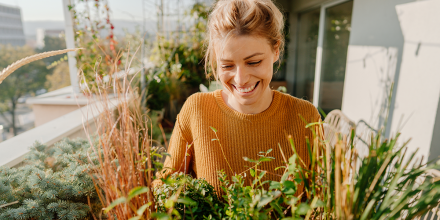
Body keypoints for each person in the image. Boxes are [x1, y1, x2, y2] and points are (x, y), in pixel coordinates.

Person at [153, 0, 321, 196]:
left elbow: (321, 199)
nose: (241, 79)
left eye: (254, 62)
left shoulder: (305, 117)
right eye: (227, 66)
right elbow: (164, 186)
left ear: (276, 50)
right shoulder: (197, 110)